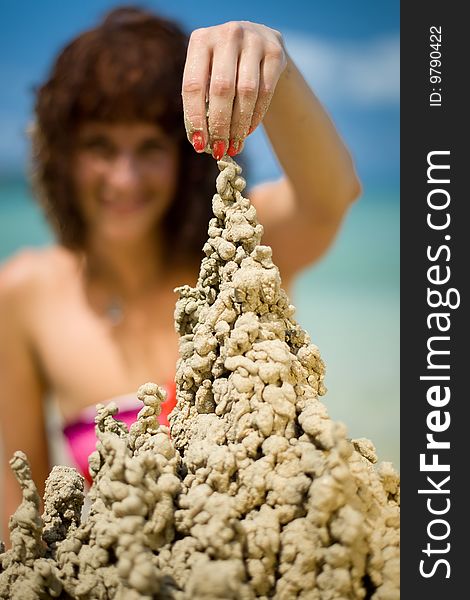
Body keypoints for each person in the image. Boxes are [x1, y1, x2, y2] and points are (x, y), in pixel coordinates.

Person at [0, 6, 361, 538]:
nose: (124, 179)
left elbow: (330, 197)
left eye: (149, 148)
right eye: (100, 146)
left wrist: (276, 68)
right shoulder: (26, 293)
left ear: (187, 155)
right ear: (62, 155)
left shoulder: (239, 253)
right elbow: (20, 518)